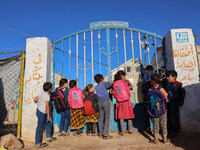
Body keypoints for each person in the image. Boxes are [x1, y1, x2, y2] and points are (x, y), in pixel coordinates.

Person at [146, 74, 168, 144]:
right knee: (163, 124)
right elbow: (166, 99)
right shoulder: (162, 89)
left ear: (152, 81)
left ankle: (156, 139)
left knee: (155, 125)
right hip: (163, 111)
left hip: (154, 111)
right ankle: (165, 139)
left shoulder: (150, 90)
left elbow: (147, 99)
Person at [113, 70, 135, 136]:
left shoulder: (115, 83)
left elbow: (113, 93)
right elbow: (131, 88)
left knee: (121, 116)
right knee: (129, 115)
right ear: (122, 76)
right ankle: (130, 129)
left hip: (120, 102)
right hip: (127, 101)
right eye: (124, 76)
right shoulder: (126, 82)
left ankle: (123, 131)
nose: (125, 77)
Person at [35, 82, 56, 148]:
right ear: (50, 89)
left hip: (38, 111)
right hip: (42, 112)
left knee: (48, 123)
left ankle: (48, 137)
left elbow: (36, 99)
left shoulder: (41, 93)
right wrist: (49, 115)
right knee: (40, 127)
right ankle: (37, 143)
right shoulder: (47, 96)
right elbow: (47, 107)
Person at [94, 74, 114, 139]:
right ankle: (105, 134)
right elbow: (111, 82)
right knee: (107, 117)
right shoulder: (103, 84)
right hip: (105, 101)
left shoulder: (96, 87)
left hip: (99, 102)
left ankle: (100, 133)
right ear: (101, 79)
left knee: (101, 117)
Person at [166, 70, 182, 138]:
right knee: (170, 117)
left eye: (169, 77)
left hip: (174, 104)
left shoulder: (176, 85)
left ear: (174, 77)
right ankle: (171, 131)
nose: (167, 78)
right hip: (170, 104)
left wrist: (169, 99)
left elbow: (176, 95)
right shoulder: (170, 84)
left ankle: (175, 132)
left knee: (174, 118)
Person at [140, 58, 154, 133]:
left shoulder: (144, 74)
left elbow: (141, 70)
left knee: (146, 113)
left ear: (146, 70)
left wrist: (141, 63)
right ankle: (157, 128)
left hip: (146, 97)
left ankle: (148, 128)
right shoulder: (154, 75)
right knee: (154, 112)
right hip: (154, 96)